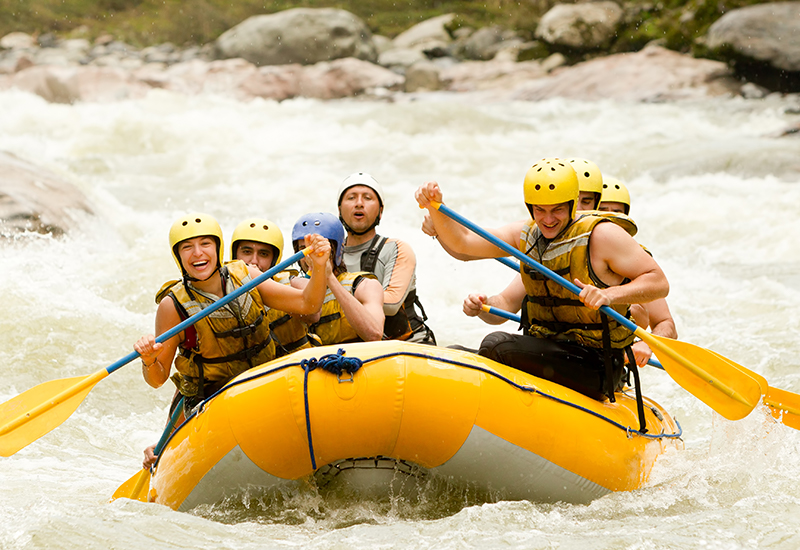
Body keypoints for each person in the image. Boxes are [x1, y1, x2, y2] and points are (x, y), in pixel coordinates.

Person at [416, 158, 669, 402]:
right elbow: (465, 244)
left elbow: (659, 282)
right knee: (453, 355)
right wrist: (436, 209)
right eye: (540, 210)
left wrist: (609, 295)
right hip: (546, 352)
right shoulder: (528, 236)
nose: (548, 219)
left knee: (495, 345)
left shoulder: (603, 235)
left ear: (571, 204)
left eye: (558, 209)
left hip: (596, 363)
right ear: (530, 207)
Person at [134, 212, 331, 408]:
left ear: (218, 248)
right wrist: (149, 361)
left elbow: (309, 305)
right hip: (215, 401)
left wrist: (320, 265)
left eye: (205, 244)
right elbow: (157, 380)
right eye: (187, 247)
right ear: (178, 256)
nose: (197, 253)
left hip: (267, 384)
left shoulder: (246, 275)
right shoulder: (172, 306)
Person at [338, 172, 436, 344]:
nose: (359, 203)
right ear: (339, 209)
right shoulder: (331, 255)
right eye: (351, 198)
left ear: (380, 211)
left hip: (408, 344)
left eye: (367, 198)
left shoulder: (397, 249)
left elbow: (391, 305)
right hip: (358, 350)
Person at [598, 177, 678, 367]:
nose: (611, 217)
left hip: (610, 363)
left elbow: (667, 324)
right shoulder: (565, 251)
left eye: (617, 212)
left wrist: (647, 343)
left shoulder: (636, 262)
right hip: (564, 351)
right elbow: (511, 300)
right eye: (603, 210)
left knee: (636, 310)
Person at [291, 212, 385, 345]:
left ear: (337, 250)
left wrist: (328, 275)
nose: (310, 257)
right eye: (303, 249)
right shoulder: (291, 289)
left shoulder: (365, 286)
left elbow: (374, 334)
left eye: (318, 249)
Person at [230, 218, 320, 356]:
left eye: (263, 254)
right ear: (235, 255)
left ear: (274, 260)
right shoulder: (220, 286)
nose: (254, 261)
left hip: (295, 368)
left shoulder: (290, 282)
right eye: (247, 252)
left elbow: (313, 313)